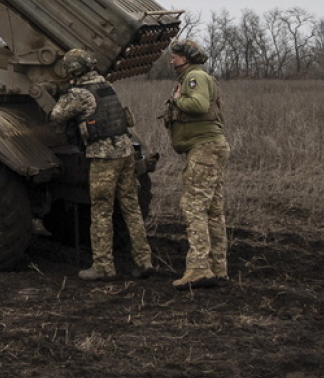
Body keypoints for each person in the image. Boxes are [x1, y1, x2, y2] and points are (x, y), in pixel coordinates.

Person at [49, 49, 153, 281]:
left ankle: (103, 266)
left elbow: (56, 116)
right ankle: (144, 260)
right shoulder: (107, 85)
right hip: (125, 152)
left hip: (104, 157)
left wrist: (65, 93)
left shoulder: (79, 94)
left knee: (101, 211)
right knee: (131, 208)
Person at [163, 39, 230, 290]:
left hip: (204, 149)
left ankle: (199, 269)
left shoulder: (195, 78)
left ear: (187, 58)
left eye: (175, 56)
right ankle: (218, 267)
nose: (172, 61)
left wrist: (178, 100)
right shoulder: (199, 76)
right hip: (212, 147)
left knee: (193, 206)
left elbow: (199, 105)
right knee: (213, 209)